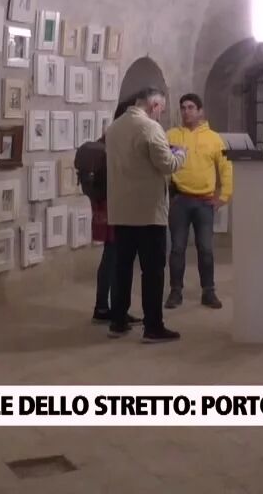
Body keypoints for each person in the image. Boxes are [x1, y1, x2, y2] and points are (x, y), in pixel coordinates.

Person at [105, 88, 187, 343]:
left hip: (121, 210)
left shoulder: (114, 127)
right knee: (152, 271)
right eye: (161, 109)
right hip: (148, 212)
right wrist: (181, 154)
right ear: (153, 105)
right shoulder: (150, 128)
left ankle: (117, 321)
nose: (161, 115)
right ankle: (153, 326)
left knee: (122, 268)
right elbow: (167, 165)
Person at [165, 93, 234, 309]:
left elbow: (226, 167)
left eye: (191, 107)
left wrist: (224, 196)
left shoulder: (213, 138)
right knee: (177, 248)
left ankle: (208, 291)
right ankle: (176, 291)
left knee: (206, 248)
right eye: (183, 107)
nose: (187, 111)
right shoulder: (171, 136)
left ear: (200, 111)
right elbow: (161, 164)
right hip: (180, 201)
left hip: (204, 202)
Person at [80, 101, 141, 325]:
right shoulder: (117, 139)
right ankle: (114, 310)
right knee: (117, 259)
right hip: (116, 205)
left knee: (111, 256)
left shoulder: (105, 139)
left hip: (103, 205)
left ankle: (104, 307)